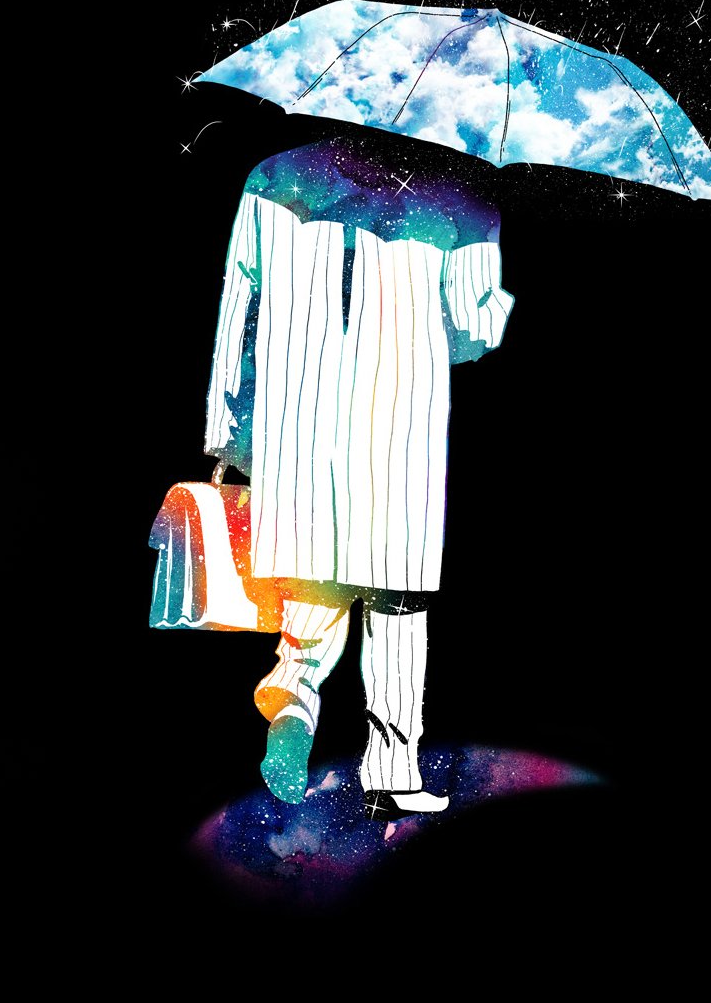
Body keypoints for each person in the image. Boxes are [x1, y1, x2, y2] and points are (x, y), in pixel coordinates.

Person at [203, 137, 513, 819]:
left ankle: (292, 701)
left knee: (315, 582)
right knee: (397, 601)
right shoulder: (465, 199)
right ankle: (393, 775)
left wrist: (223, 428)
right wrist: (491, 308)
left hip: (294, 417)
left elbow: (237, 302)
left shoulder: (276, 174)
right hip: (397, 425)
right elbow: (472, 332)